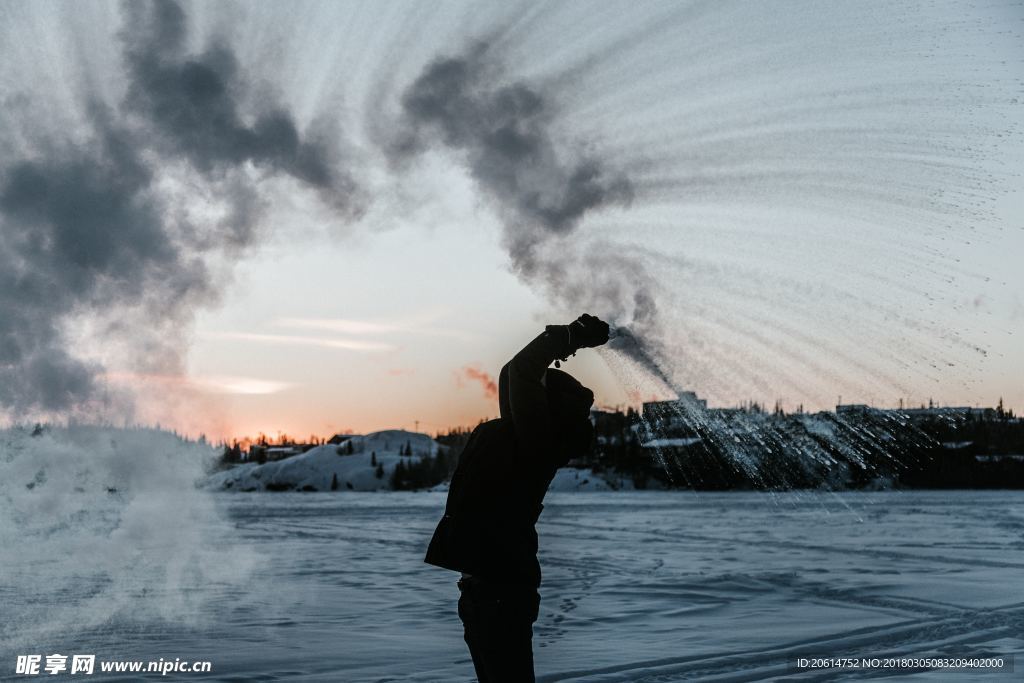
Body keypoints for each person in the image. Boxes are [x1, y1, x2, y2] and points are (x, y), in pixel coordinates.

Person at [424, 313, 610, 682]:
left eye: (542, 391)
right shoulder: (525, 435)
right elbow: (514, 373)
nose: (530, 393)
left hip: (500, 592)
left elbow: (522, 372)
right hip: (488, 590)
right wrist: (566, 341)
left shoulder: (538, 439)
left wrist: (569, 338)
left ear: (549, 408)